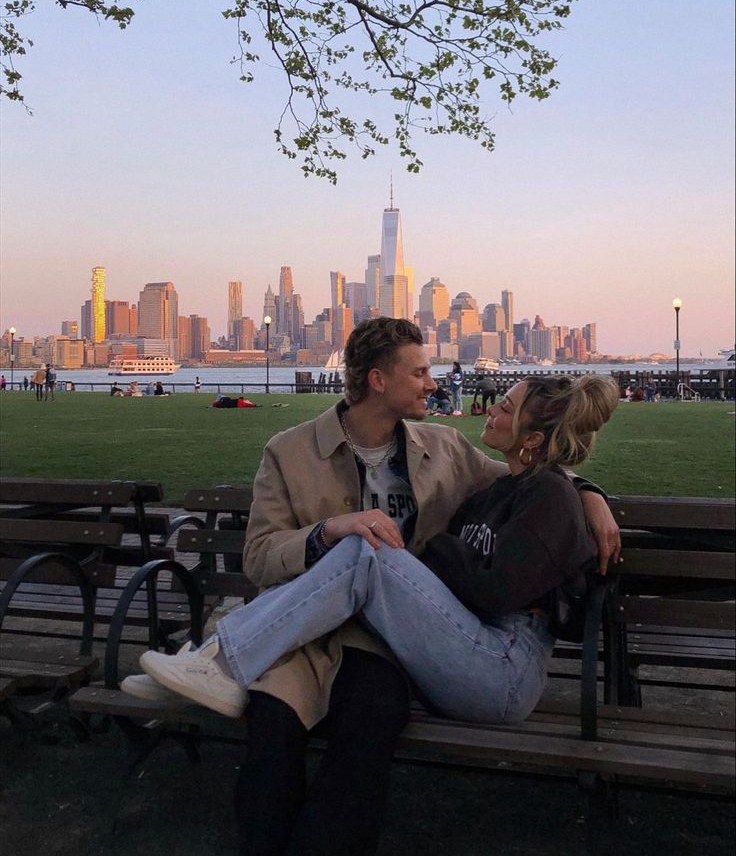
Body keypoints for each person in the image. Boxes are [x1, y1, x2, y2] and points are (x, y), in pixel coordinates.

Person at [123, 318, 620, 856]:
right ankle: (223, 684)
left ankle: (219, 660)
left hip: (391, 638)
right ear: (379, 380)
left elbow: (535, 471)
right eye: (421, 371)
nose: (434, 383)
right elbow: (261, 558)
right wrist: (327, 531)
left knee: (369, 719)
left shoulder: (445, 447)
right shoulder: (289, 452)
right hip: (303, 635)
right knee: (272, 727)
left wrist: (588, 492)